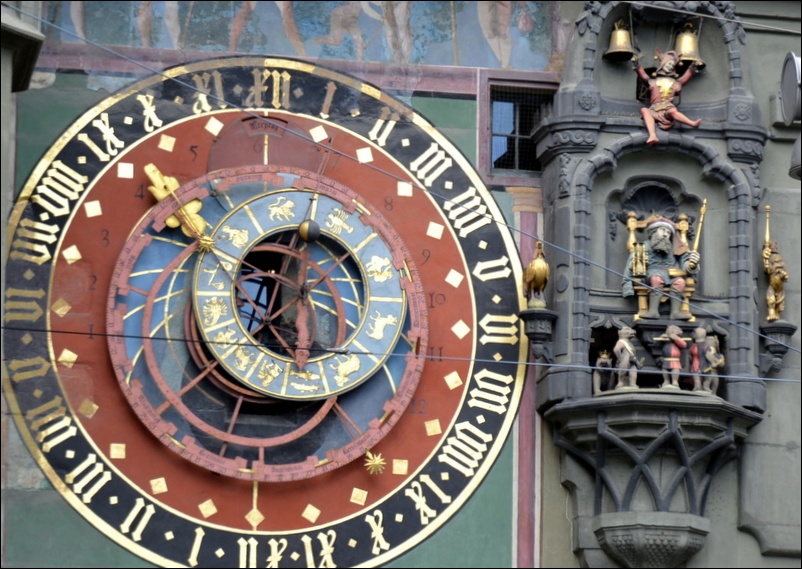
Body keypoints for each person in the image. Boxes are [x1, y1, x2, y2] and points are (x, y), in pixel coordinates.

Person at [622, 217, 700, 320]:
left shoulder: (675, 248)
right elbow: (632, 266)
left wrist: (692, 264)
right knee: (657, 279)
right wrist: (638, 263)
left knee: (680, 282)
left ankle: (675, 312)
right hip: (652, 273)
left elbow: (685, 263)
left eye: (668, 232)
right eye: (662, 230)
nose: (665, 234)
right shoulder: (643, 246)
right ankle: (653, 311)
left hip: (671, 274)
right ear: (654, 231)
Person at [632, 49, 702, 144]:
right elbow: (643, 76)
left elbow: (686, 76)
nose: (670, 67)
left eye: (672, 65)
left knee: (673, 111)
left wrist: (693, 66)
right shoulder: (652, 81)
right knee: (644, 110)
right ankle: (652, 135)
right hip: (654, 110)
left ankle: (692, 123)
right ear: (663, 64)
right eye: (669, 64)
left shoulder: (676, 83)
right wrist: (636, 64)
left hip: (667, 109)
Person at [690, 327, 725, 393]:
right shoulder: (701, 347)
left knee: (708, 379)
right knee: (699, 378)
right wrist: (713, 362)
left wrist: (716, 362)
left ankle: (707, 388)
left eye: (712, 341)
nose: (710, 342)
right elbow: (707, 355)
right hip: (701, 366)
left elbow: (720, 364)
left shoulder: (717, 354)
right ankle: (698, 387)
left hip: (710, 371)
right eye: (708, 340)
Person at [658, 324, 688, 389]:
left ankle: (675, 382)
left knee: (675, 369)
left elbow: (684, 345)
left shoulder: (677, 339)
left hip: (675, 359)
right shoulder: (666, 340)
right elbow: (657, 344)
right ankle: (666, 381)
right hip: (666, 359)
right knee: (665, 370)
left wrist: (676, 338)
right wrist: (662, 337)